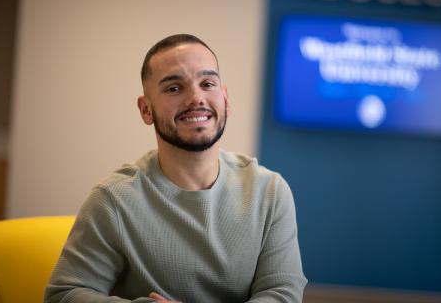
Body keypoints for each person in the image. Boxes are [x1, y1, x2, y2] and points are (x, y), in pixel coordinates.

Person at [45, 34, 307, 303]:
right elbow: (63, 295)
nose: (196, 98)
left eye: (207, 84)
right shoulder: (113, 199)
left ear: (225, 100)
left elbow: (282, 293)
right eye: (173, 88)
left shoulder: (269, 192)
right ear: (146, 109)